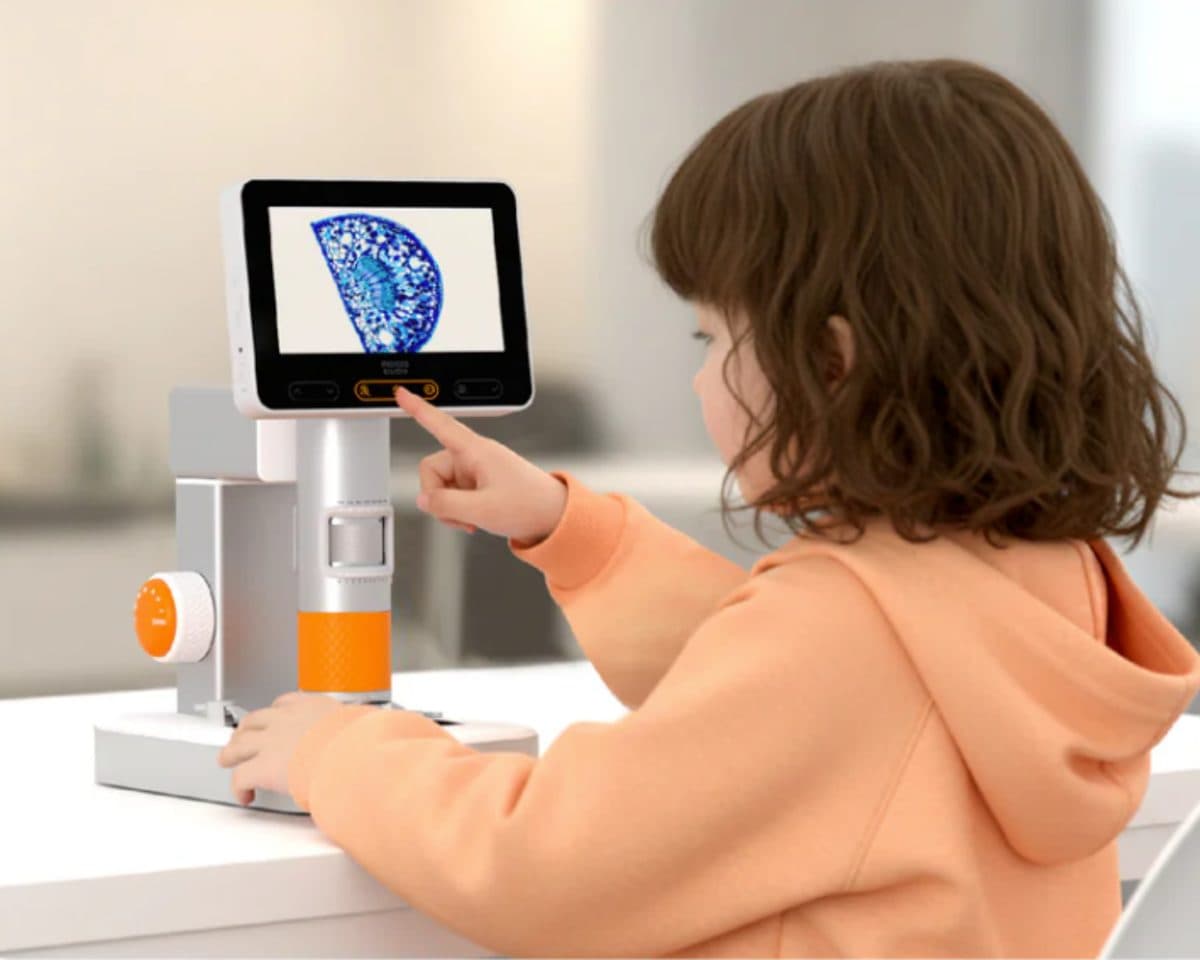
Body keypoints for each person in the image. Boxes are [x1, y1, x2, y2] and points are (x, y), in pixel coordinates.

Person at [218, 58, 1200, 958]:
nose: (698, 385)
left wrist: (341, 752)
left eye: (708, 340)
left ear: (828, 362)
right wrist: (573, 535)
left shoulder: (840, 632)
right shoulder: (1041, 577)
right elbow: (776, 699)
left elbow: (545, 869)